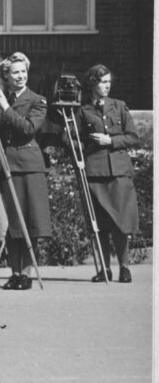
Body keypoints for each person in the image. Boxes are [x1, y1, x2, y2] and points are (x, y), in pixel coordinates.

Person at [0, 52, 51, 290]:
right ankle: (14, 272)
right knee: (12, 221)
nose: (21, 76)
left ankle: (26, 272)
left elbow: (28, 128)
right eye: (15, 72)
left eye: (23, 71)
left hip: (28, 165)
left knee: (30, 219)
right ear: (5, 75)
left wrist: (5, 108)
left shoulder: (37, 100)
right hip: (6, 164)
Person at [77, 64, 141, 283]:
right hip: (95, 172)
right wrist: (84, 146)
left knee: (121, 222)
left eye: (109, 82)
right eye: (103, 82)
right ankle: (105, 269)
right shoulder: (83, 109)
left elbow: (133, 137)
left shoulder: (119, 106)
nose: (107, 86)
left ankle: (124, 267)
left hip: (119, 171)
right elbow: (72, 138)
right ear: (93, 83)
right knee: (100, 224)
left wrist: (110, 141)